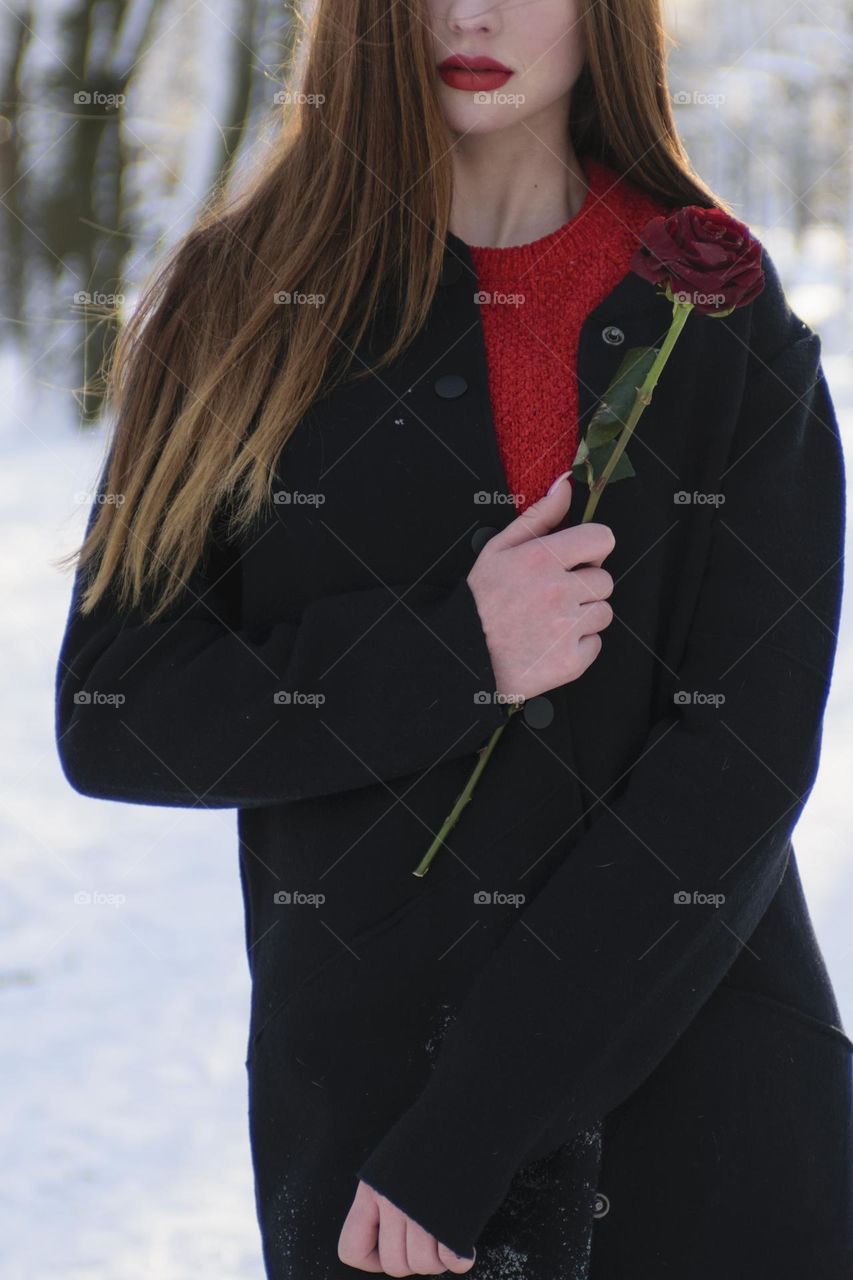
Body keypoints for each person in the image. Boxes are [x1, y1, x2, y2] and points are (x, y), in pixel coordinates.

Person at [54, 1, 852, 1276]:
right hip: (371, 1130)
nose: (470, 12)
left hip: (705, 1106)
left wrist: (474, 1128)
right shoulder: (241, 300)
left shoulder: (721, 314)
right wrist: (455, 655)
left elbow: (743, 760)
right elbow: (118, 714)